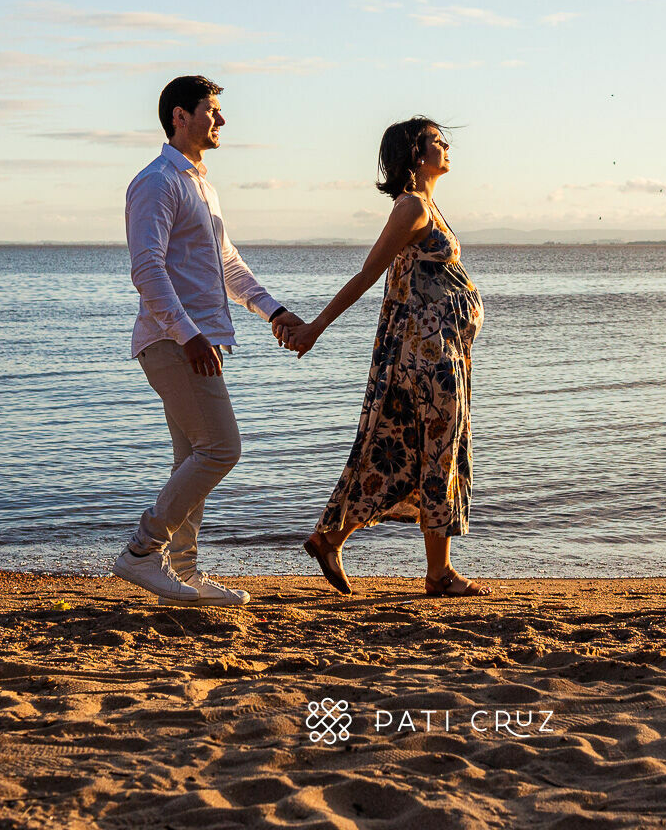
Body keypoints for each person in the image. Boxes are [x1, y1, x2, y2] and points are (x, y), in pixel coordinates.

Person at [113, 75, 303, 606]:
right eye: (212, 110)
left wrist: (275, 311)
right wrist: (189, 335)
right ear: (181, 115)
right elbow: (147, 270)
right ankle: (141, 552)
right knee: (221, 449)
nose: (220, 120)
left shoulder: (201, 184)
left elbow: (225, 264)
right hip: (173, 343)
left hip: (197, 341)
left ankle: (185, 573)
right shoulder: (156, 182)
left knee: (191, 459)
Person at [288, 117, 490, 597]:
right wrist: (315, 327)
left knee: (401, 452)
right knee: (436, 452)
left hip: (439, 353)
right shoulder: (412, 208)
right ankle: (438, 574)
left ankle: (331, 538)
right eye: (438, 141)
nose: (446, 147)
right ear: (416, 154)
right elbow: (367, 275)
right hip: (427, 358)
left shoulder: (427, 206)